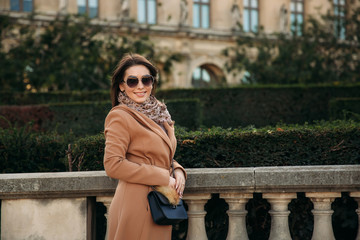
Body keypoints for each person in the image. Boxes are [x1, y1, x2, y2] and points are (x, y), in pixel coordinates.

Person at [103, 53, 187, 240]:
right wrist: (163, 176)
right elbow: (112, 164)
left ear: (152, 82)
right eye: (132, 81)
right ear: (122, 86)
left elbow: (159, 154)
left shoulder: (159, 113)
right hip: (137, 204)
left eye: (146, 80)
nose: (140, 86)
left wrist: (177, 170)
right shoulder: (119, 116)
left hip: (159, 204)